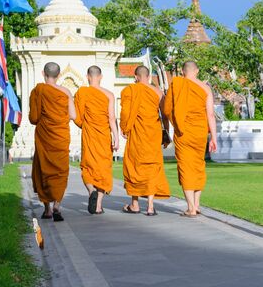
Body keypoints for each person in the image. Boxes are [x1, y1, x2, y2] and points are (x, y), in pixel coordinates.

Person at [163, 61, 217, 217]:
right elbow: (211, 115)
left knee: (186, 167)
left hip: (183, 132)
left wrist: (176, 121)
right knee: (198, 166)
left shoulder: (177, 84)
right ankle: (197, 204)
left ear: (182, 71)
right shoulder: (205, 89)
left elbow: (167, 109)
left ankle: (191, 207)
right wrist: (213, 137)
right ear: (197, 71)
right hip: (200, 132)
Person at [120, 66, 170, 216]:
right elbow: (165, 115)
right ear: (148, 76)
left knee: (134, 166)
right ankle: (150, 206)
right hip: (153, 134)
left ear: (136, 77)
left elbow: (125, 112)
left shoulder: (131, 90)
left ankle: (135, 204)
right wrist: (166, 134)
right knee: (152, 167)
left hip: (137, 134)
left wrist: (124, 128)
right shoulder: (157, 92)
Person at [30, 62, 76, 222]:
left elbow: (34, 118)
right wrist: (59, 118)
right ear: (59, 75)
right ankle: (57, 205)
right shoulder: (66, 92)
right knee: (60, 172)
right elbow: (73, 115)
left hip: (44, 137)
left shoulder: (38, 91)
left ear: (43, 73)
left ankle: (47, 209)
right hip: (60, 137)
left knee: (43, 170)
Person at [74, 66, 119, 214]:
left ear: (87, 76)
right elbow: (112, 119)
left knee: (87, 167)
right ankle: (98, 205)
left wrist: (86, 125)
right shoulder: (109, 95)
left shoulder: (82, 92)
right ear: (101, 77)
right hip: (104, 136)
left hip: (89, 135)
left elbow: (77, 117)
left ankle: (91, 190)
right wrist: (116, 137)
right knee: (103, 169)